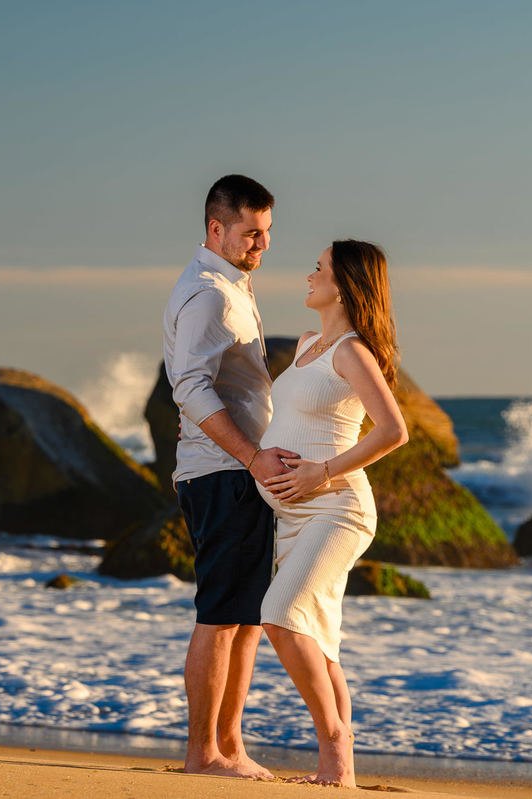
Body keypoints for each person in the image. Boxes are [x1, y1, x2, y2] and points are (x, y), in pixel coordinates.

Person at [257, 239, 409, 787]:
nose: (309, 275)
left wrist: (321, 472)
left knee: (277, 616)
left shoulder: (351, 351)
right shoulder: (305, 345)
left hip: (337, 509)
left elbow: (394, 431)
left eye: (318, 268)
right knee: (319, 639)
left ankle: (336, 739)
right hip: (294, 517)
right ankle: (337, 771)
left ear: (343, 283)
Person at [163, 174, 298, 779]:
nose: (261, 245)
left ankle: (229, 747)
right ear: (216, 228)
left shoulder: (231, 286)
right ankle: (202, 755)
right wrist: (251, 457)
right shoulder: (211, 294)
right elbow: (188, 387)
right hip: (223, 474)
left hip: (235, 474)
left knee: (244, 617)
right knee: (221, 615)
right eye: (250, 233)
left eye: (267, 233)